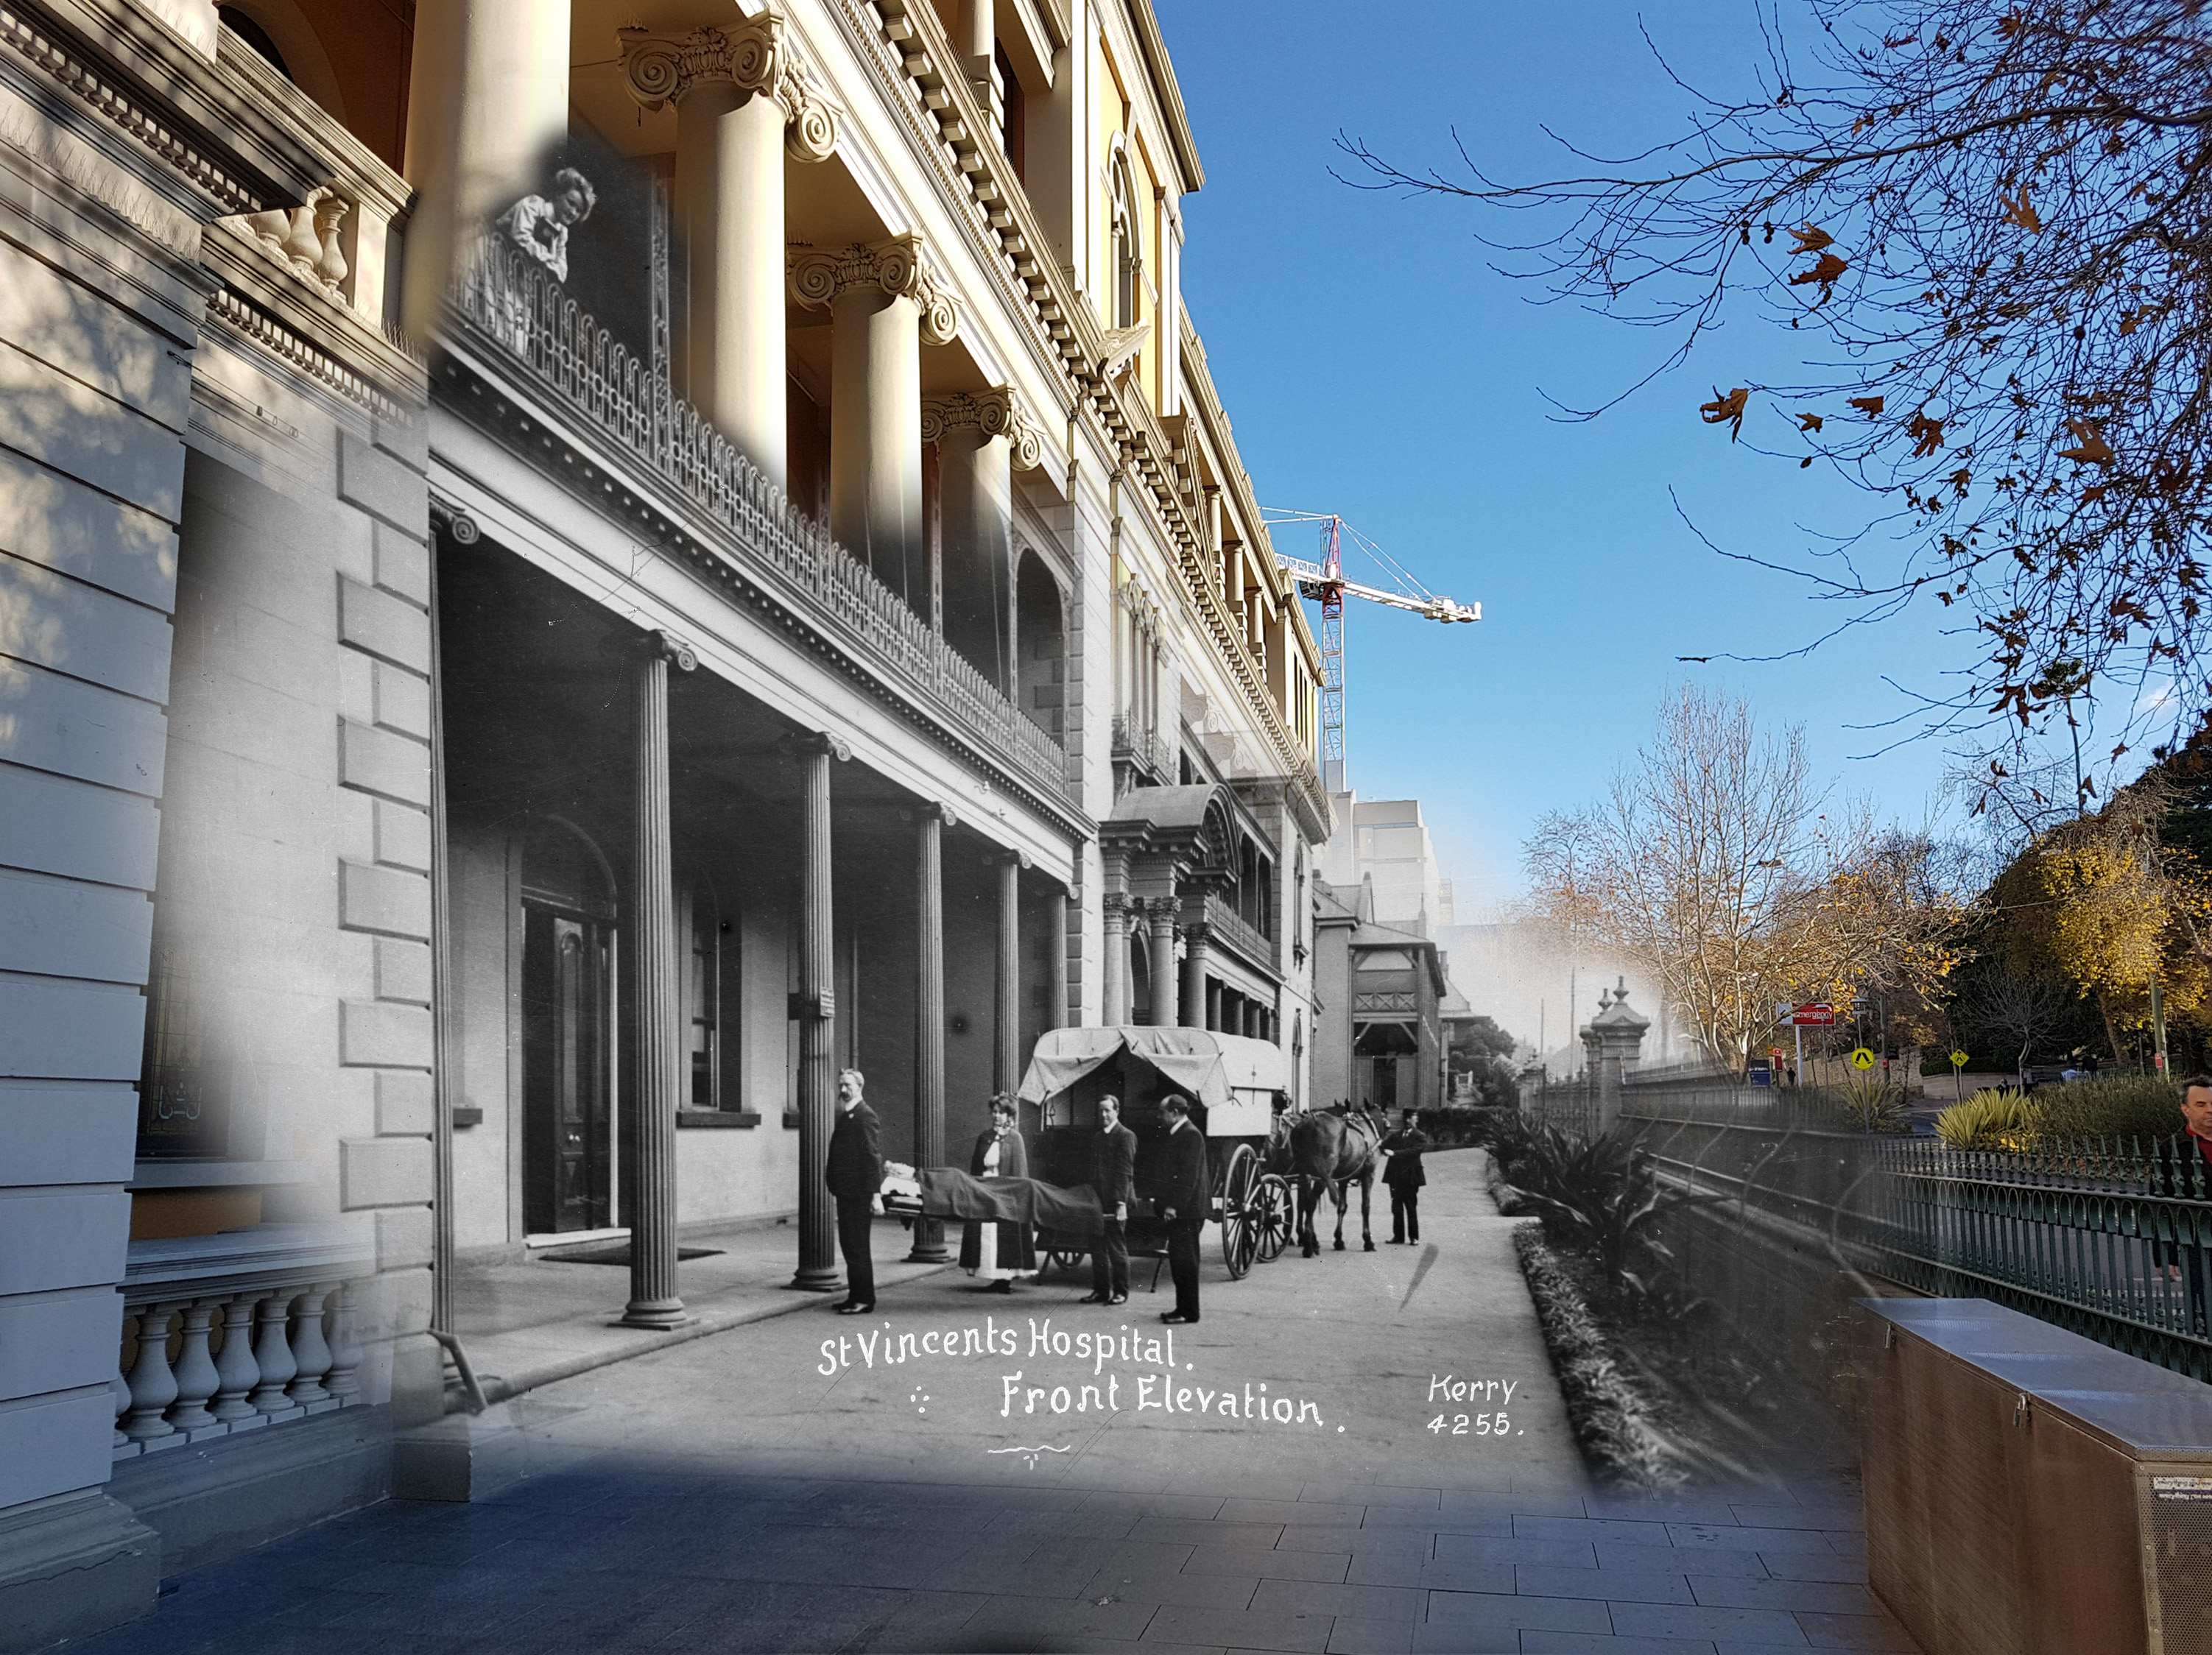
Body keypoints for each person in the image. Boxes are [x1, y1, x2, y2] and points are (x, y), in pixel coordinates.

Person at [960, 1093, 1036, 1293]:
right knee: (987, 1234)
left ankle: (1005, 1279)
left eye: (1001, 1112)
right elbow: (976, 1168)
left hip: (1005, 1195)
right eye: (994, 1112)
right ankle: (993, 1276)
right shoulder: (984, 1137)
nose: (996, 1116)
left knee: (1003, 1234)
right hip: (985, 1192)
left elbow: (1019, 1172)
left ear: (1009, 1115)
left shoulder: (1015, 1139)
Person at [825, 1068, 882, 1314]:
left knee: (858, 1247)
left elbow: (871, 1158)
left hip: (859, 1195)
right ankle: (855, 1295)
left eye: (848, 1085)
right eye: (841, 1085)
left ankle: (864, 1299)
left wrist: (875, 1195)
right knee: (850, 1247)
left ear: (859, 1087)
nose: (843, 1090)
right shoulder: (848, 1115)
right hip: (847, 1193)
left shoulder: (864, 1116)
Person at [495, 166, 596, 283]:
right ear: (558, 194)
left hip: (514, 274)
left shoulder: (562, 232)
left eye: (579, 210)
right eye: (571, 202)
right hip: (492, 259)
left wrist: (540, 256)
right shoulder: (532, 205)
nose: (573, 212)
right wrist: (549, 258)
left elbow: (561, 274)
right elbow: (520, 243)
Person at [1157, 1094, 1208, 1325]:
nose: (1160, 1117)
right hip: (1183, 1210)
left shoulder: (1190, 1135)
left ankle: (1189, 1312)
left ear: (1174, 1113)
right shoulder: (1183, 1133)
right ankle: (1182, 1308)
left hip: (1185, 1211)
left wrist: (1173, 1206)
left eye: (1163, 1113)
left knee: (1185, 1262)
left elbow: (1188, 1177)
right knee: (1180, 1261)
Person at [1081, 1094, 1136, 1306]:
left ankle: (1121, 1292)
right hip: (1098, 1200)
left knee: (1116, 1247)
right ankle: (1101, 1291)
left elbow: (1125, 1172)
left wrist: (1120, 1203)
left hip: (1115, 1201)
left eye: (1108, 1110)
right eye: (1101, 1110)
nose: (1103, 1114)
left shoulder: (1126, 1136)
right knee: (1097, 1248)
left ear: (1117, 1111)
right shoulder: (1098, 1137)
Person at [1379, 1109, 1431, 1245]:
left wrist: (1394, 1153)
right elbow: (1383, 1146)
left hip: (1411, 1176)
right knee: (1396, 1207)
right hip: (1396, 1177)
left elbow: (1413, 1152)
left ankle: (1414, 1237)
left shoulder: (1420, 1136)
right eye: (1415, 1117)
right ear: (1408, 1119)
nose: (1417, 1120)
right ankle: (1398, 1237)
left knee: (1411, 1206)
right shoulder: (1396, 1136)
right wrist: (1384, 1149)